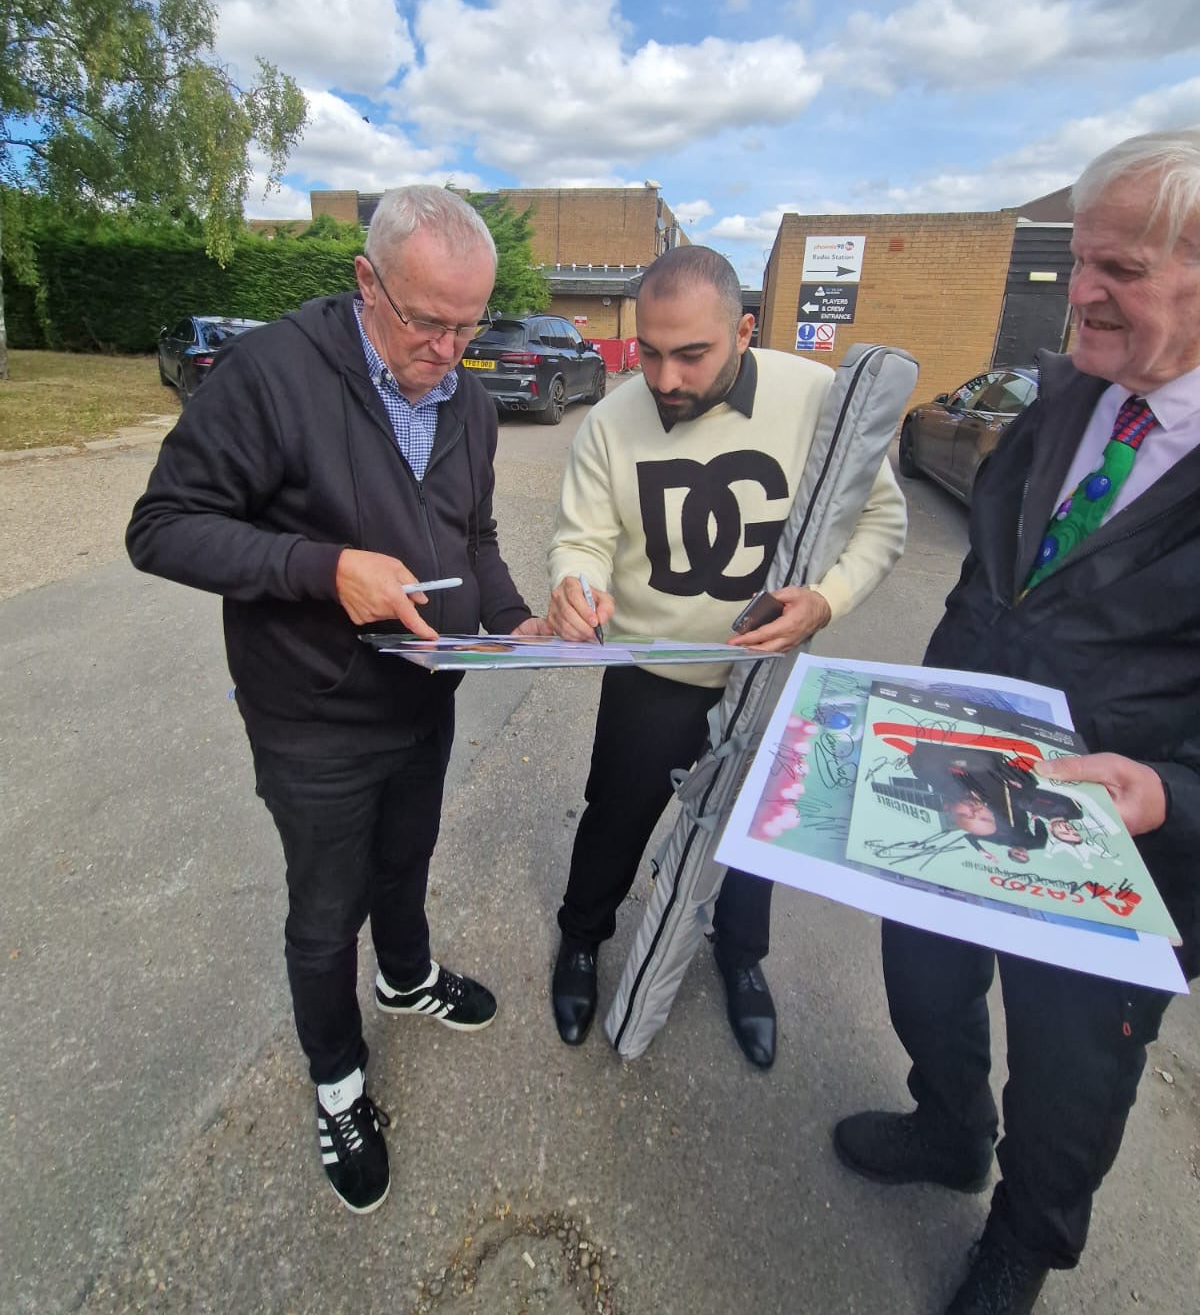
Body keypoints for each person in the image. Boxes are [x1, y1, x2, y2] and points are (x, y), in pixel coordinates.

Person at [833, 128, 1200, 1315]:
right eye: (1081, 260)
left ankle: (1023, 1246)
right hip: (953, 780)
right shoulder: (1064, 397)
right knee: (926, 981)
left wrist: (1168, 792)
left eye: (1121, 273)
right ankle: (949, 1128)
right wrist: (910, 718)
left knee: (1070, 1078)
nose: (1078, 293)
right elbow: (986, 581)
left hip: (1115, 849)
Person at [126, 185, 548, 1215]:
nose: (451, 351)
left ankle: (406, 979)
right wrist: (324, 568)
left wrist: (514, 621)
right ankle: (338, 1080)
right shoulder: (271, 374)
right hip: (310, 712)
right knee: (325, 910)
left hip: (424, 697)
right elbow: (163, 526)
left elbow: (474, 537)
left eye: (470, 325)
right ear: (368, 284)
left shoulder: (474, 402)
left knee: (406, 859)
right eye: (427, 322)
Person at [546, 245, 906, 1068]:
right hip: (650, 675)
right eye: (650, 352)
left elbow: (883, 522)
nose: (664, 379)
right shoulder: (611, 420)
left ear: (745, 330)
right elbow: (585, 535)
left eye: (691, 354)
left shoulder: (817, 397)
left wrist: (826, 600)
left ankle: (739, 956)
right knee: (615, 819)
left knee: (752, 835)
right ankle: (580, 939)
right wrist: (576, 582)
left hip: (771, 678)